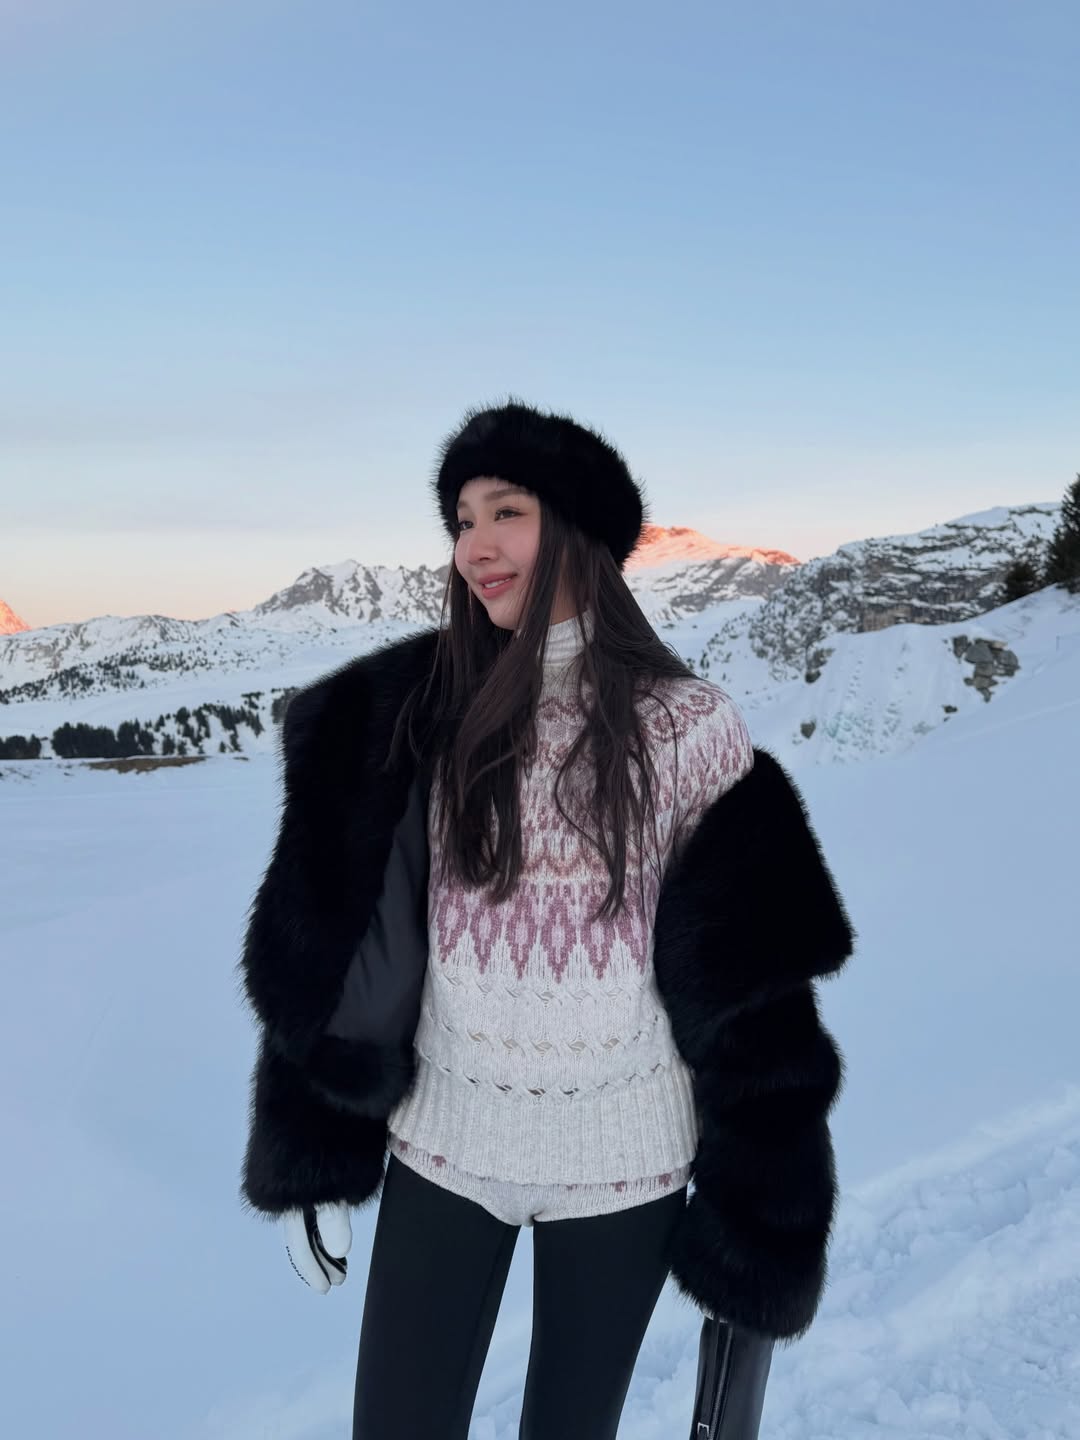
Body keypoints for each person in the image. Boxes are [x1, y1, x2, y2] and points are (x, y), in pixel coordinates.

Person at [238, 397, 855, 1440]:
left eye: (506, 513)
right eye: (462, 521)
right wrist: (313, 1143)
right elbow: (343, 939)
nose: (474, 546)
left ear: (576, 528)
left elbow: (755, 1000)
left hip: (625, 1170)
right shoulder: (420, 710)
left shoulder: (690, 728)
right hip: (444, 1145)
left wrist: (762, 1221)